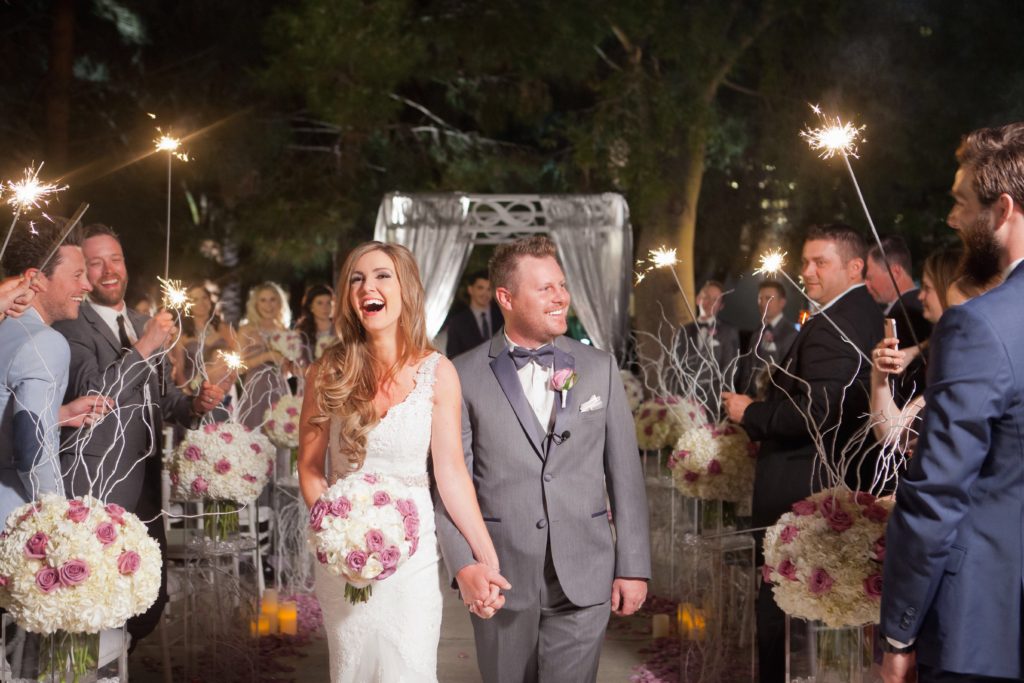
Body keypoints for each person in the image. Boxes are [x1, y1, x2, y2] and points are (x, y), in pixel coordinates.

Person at [435, 235, 651, 683]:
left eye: (562, 285)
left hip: (586, 573)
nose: (561, 297)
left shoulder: (599, 367)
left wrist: (633, 565)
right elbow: (449, 481)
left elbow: (625, 475)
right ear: (506, 298)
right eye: (545, 288)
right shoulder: (460, 373)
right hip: (500, 576)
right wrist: (464, 565)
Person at [297, 241, 507, 683]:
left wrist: (486, 559)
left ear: (406, 289)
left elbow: (451, 474)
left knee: (408, 669)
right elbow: (311, 468)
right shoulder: (326, 372)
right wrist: (337, 536)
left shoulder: (439, 373)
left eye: (381, 276)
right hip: (343, 560)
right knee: (353, 670)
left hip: (413, 558)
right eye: (356, 278)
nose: (366, 287)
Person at [881, 123, 1024, 683]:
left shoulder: (979, 326)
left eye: (962, 203)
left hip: (984, 633)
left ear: (1003, 209)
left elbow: (936, 494)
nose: (952, 220)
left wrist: (898, 631)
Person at [722, 223, 883, 683]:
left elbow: (818, 412)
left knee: (787, 617)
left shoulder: (836, 324)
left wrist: (752, 412)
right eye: (805, 260)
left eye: (820, 262)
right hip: (825, 481)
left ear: (855, 267)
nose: (806, 271)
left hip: (804, 487)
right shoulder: (858, 314)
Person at [54, 223, 225, 647]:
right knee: (94, 605)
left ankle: (121, 659)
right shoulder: (72, 325)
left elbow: (165, 404)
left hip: (146, 481)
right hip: (96, 483)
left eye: (116, 258)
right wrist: (145, 346)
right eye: (94, 263)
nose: (108, 270)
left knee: (150, 600)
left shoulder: (143, 322)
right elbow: (95, 395)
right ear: (81, 271)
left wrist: (196, 406)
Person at [0, 219, 111, 524]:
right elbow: (33, 451)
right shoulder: (45, 341)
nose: (87, 286)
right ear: (36, 279)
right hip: (12, 516)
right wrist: (59, 519)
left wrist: (56, 415)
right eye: (77, 275)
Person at [236, 281, 291, 430]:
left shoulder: (286, 332)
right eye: (263, 300)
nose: (268, 305)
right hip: (255, 392)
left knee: (280, 437)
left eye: (273, 299)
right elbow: (238, 368)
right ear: (256, 304)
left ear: (280, 303)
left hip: (280, 391)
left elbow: (290, 371)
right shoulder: (246, 330)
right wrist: (266, 356)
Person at [676, 280, 740, 404]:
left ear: (721, 305)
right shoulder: (683, 330)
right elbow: (675, 366)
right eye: (706, 297)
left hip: (713, 402)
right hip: (684, 400)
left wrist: (720, 401)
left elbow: (730, 371)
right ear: (698, 299)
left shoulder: (728, 332)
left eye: (715, 299)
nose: (710, 302)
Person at [170, 282, 239, 392]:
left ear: (210, 300)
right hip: (194, 389)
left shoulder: (225, 329)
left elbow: (238, 361)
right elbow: (179, 369)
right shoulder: (180, 333)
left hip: (224, 388)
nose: (201, 303)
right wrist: (186, 393)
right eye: (195, 300)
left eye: (204, 298)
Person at [740, 279, 798, 398]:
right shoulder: (757, 333)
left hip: (774, 402)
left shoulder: (791, 334)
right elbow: (747, 369)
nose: (762, 303)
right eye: (760, 298)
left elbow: (788, 376)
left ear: (782, 302)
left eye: (768, 299)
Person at [444, 270, 504, 358]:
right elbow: (453, 357)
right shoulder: (457, 322)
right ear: (470, 289)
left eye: (489, 289)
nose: (485, 293)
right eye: (480, 288)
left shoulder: (502, 317)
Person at [293, 283, 336, 364]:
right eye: (320, 303)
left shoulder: (340, 329)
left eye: (328, 303)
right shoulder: (301, 332)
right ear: (311, 306)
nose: (325, 307)